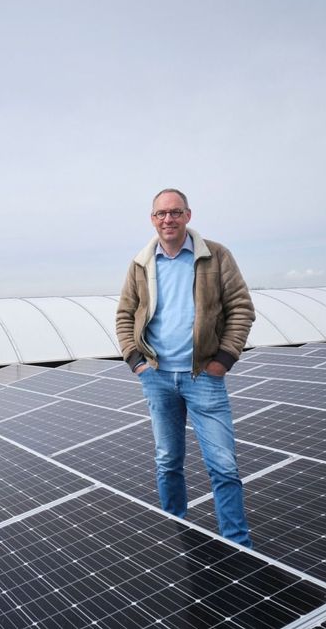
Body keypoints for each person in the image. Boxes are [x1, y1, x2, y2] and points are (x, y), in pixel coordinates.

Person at [116, 188, 255, 547]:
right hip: (157, 377)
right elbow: (124, 315)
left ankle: (239, 548)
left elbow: (241, 308)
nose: (168, 220)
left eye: (175, 212)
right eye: (161, 214)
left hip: (203, 377)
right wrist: (136, 361)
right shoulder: (140, 263)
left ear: (188, 216)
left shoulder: (216, 256)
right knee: (167, 462)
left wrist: (223, 360)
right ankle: (175, 538)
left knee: (223, 466)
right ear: (152, 219)